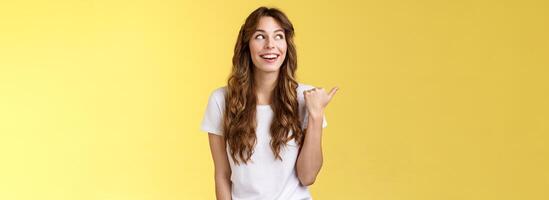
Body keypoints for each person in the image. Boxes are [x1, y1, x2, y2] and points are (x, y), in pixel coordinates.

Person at [200, 6, 338, 200]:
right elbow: (222, 175)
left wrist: (316, 115)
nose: (270, 45)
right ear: (247, 45)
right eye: (260, 36)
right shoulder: (221, 100)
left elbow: (307, 177)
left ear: (287, 45)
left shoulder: (305, 97)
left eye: (278, 36)